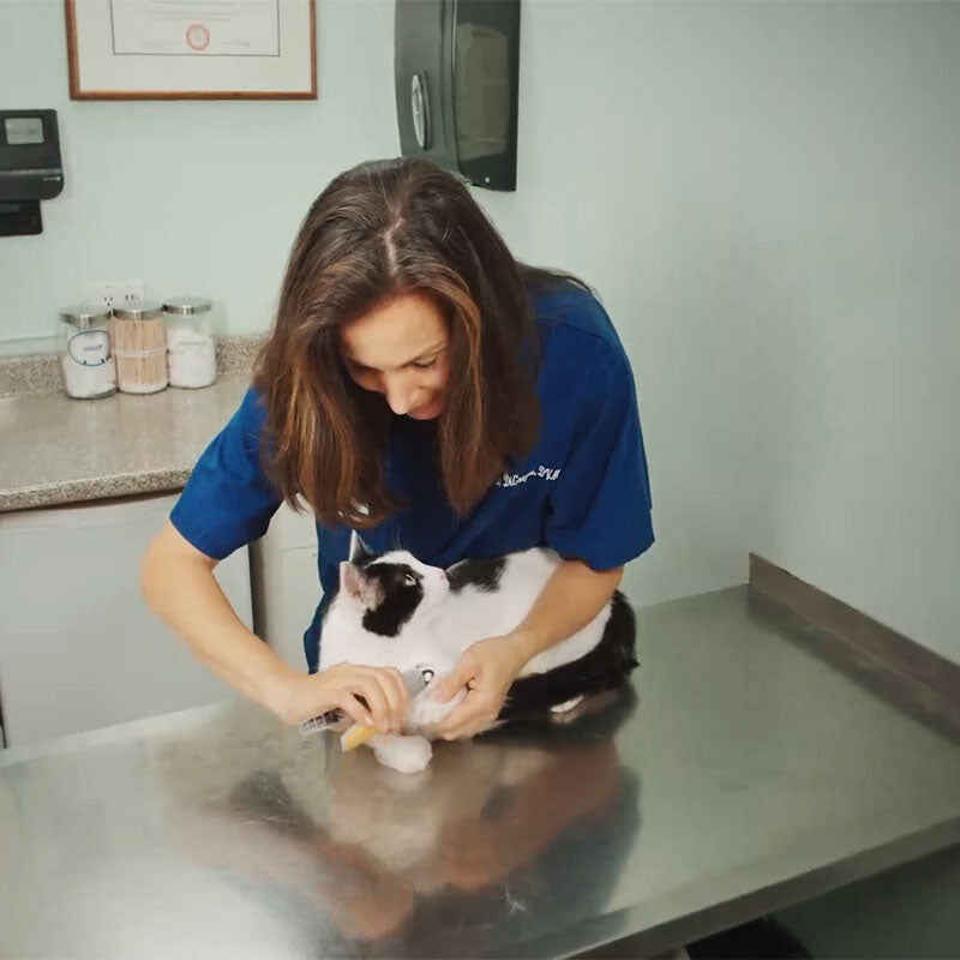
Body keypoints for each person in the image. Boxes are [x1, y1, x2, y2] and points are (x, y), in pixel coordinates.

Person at [141, 157, 654, 742]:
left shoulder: (573, 354)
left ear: (479, 320)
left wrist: (517, 649)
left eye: (425, 361)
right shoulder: (310, 380)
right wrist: (286, 691)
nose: (402, 400)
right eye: (366, 370)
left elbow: (598, 558)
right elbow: (172, 566)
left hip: (540, 685)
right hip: (377, 711)